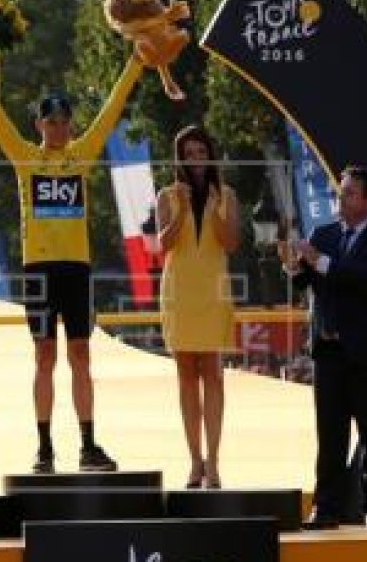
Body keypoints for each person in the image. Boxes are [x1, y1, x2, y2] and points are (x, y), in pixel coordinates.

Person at [0, 46, 144, 473]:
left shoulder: (80, 155)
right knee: (44, 355)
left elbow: (111, 108)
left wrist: (136, 62)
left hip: (76, 267)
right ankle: (44, 447)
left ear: (70, 125)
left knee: (82, 353)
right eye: (50, 121)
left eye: (63, 121)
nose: (57, 127)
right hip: (39, 269)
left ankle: (88, 445)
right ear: (38, 125)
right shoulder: (26, 159)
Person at [282, 165, 367, 531]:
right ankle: (326, 508)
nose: (341, 198)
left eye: (350, 193)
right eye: (340, 191)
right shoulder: (324, 233)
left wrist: (322, 262)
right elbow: (307, 278)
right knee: (330, 435)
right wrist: (291, 265)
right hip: (329, 350)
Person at [155, 125, 240, 489]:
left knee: (214, 374)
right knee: (186, 375)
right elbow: (163, 243)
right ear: (180, 159)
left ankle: (215, 463)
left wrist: (213, 208)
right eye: (188, 154)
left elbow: (232, 242)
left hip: (213, 291)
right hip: (179, 292)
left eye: (200, 153)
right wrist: (183, 209)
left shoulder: (228, 195)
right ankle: (194, 462)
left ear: (210, 155)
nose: (195, 160)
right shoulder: (167, 195)